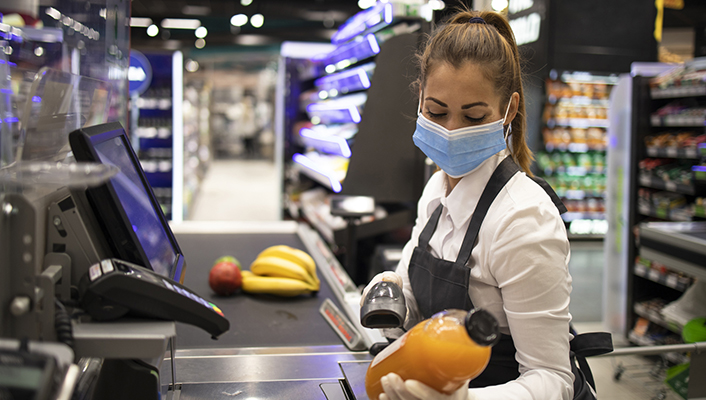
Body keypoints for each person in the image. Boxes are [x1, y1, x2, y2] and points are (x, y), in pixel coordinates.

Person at [360, 7, 575, 400]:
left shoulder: (523, 220)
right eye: (436, 112)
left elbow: (553, 378)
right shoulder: (436, 187)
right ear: (420, 96)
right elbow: (414, 302)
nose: (451, 132)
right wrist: (392, 296)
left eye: (474, 117)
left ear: (508, 110)